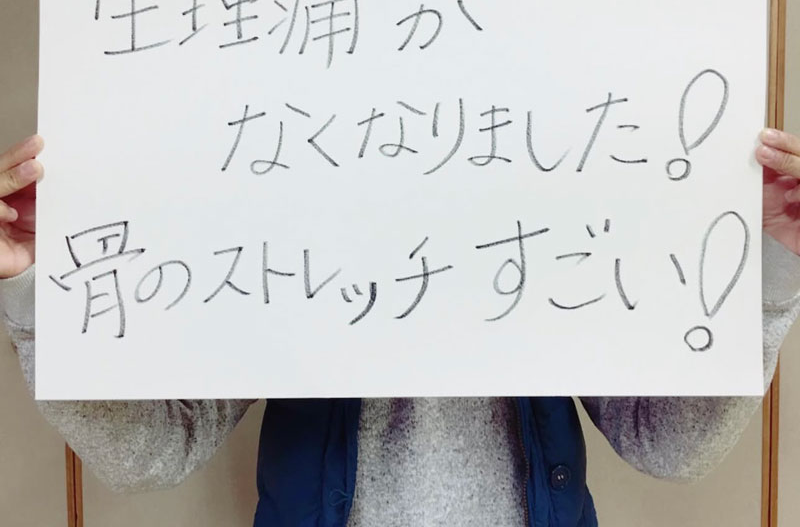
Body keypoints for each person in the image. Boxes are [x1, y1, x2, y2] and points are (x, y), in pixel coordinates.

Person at [2, 129, 800, 527]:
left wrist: (773, 264)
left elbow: (672, 446)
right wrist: (37, 290)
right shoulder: (280, 230)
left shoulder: (562, 223)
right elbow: (153, 452)